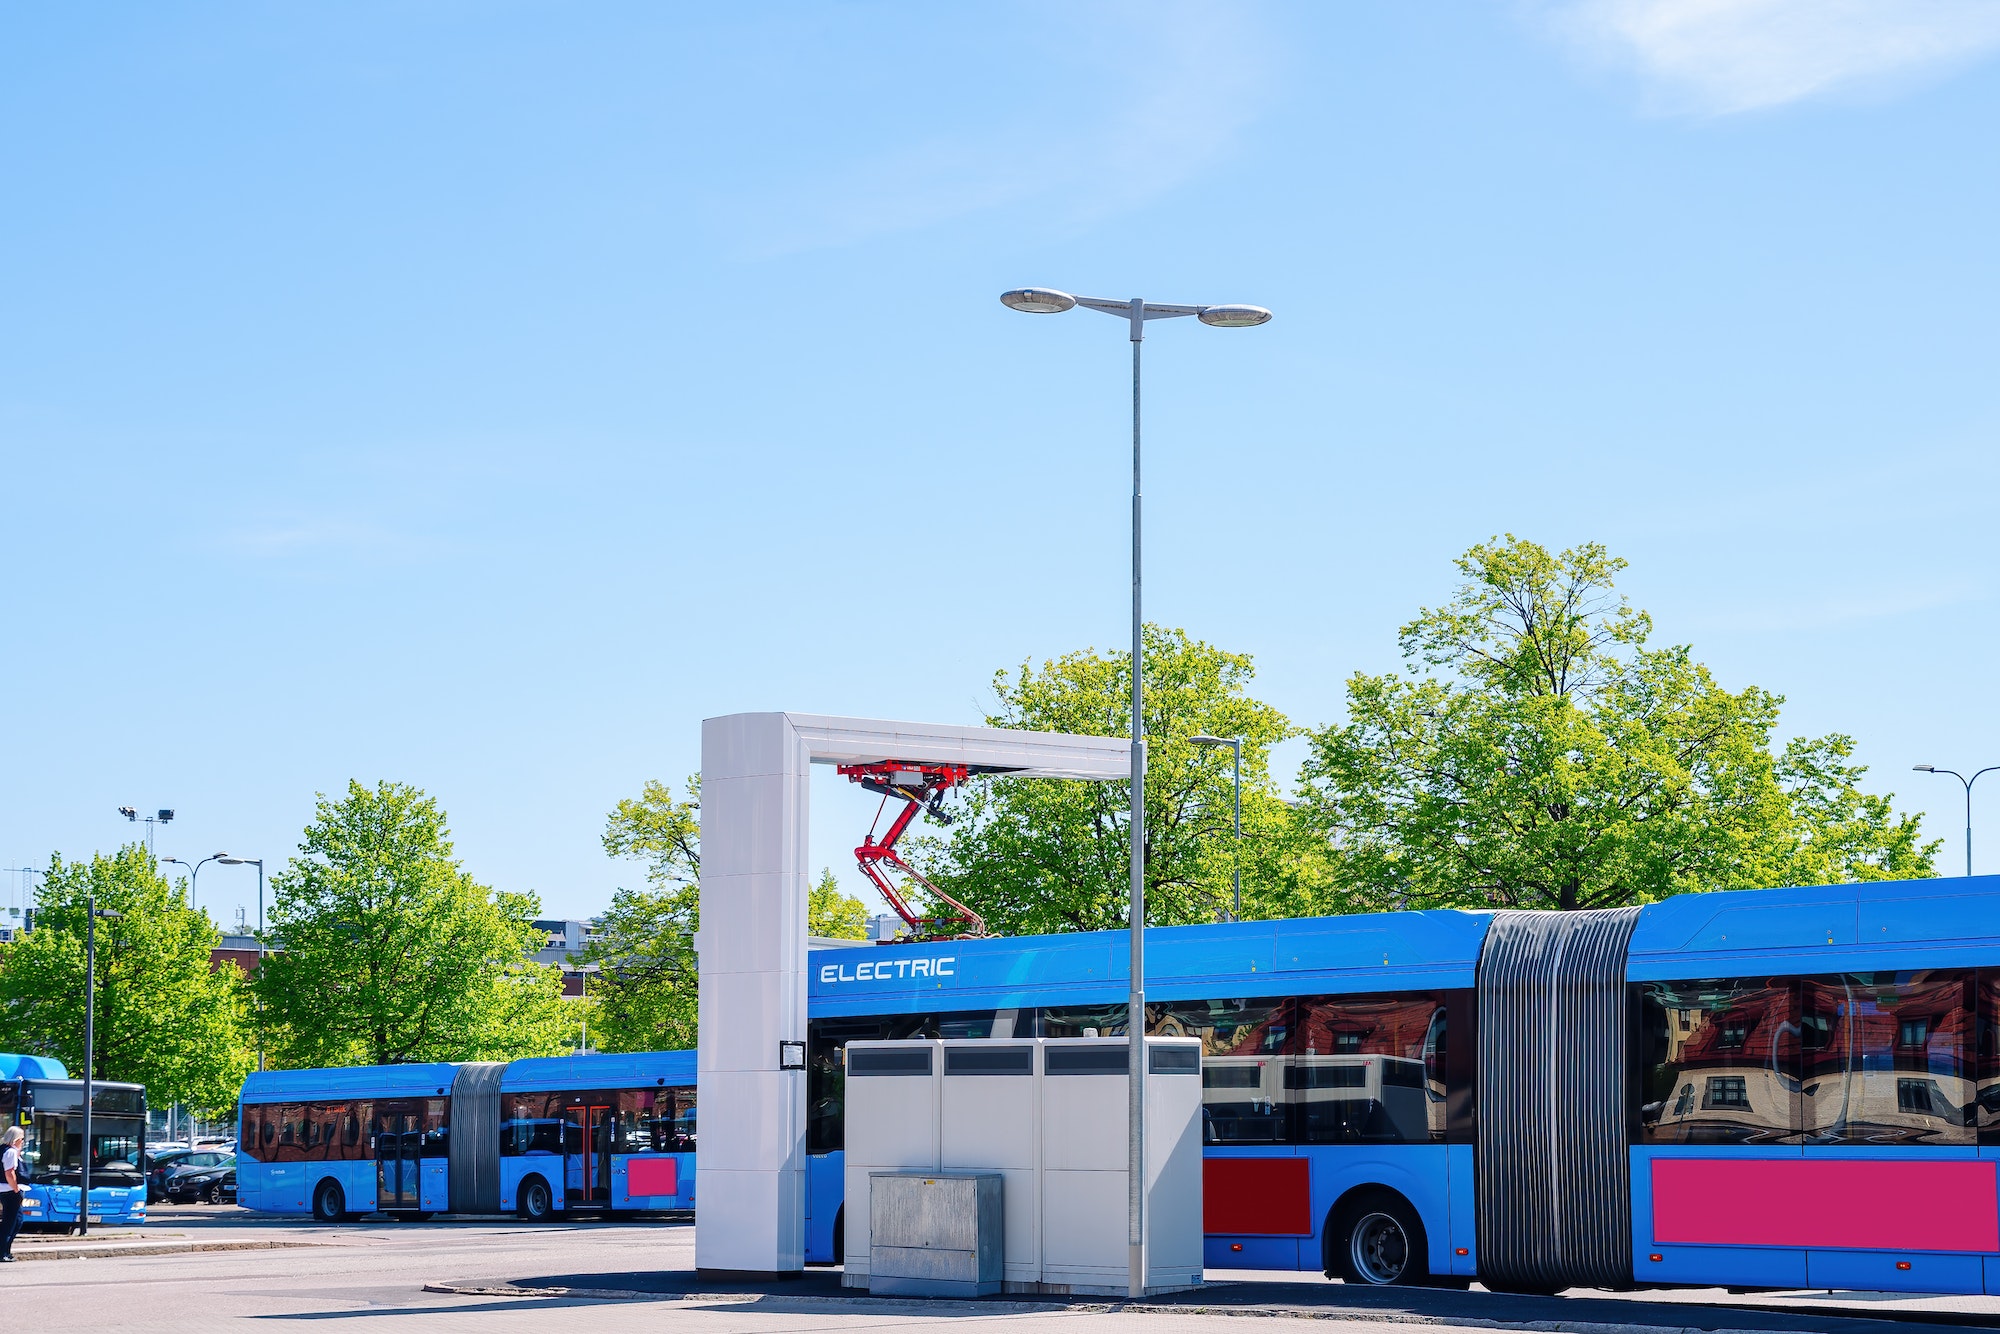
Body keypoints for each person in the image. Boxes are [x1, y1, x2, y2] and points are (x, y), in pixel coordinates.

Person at [0, 1124, 25, 1262]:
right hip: (9, 1191)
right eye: (21, 1139)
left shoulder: (4, 1150)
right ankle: (2, 1253)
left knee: (17, 1220)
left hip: (5, 1190)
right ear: (16, 1139)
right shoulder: (10, 1152)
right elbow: (9, 1173)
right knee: (10, 1222)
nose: (22, 1142)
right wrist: (16, 1189)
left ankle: (6, 1251)